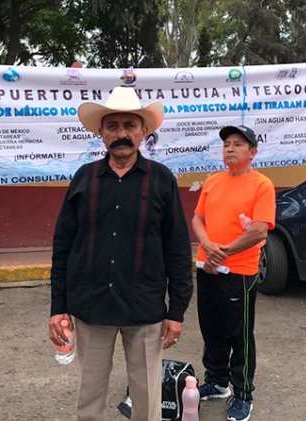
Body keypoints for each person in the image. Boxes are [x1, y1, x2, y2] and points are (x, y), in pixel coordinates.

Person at [49, 87, 193, 421]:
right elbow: (63, 245)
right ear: (101, 132)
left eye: (130, 125)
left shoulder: (162, 180)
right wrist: (58, 307)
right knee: (90, 395)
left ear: (144, 132)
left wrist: (178, 310)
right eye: (112, 126)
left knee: (146, 398)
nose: (121, 133)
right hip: (91, 305)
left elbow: (176, 247)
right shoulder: (85, 179)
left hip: (145, 307)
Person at [192, 125, 276, 421]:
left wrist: (222, 252)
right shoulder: (213, 182)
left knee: (238, 334)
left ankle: (242, 394)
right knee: (210, 327)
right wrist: (205, 244)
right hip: (207, 267)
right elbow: (198, 218)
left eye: (238, 144)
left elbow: (259, 231)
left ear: (252, 152)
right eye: (226, 143)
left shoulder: (261, 185)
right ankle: (216, 382)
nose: (230, 148)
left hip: (238, 271)